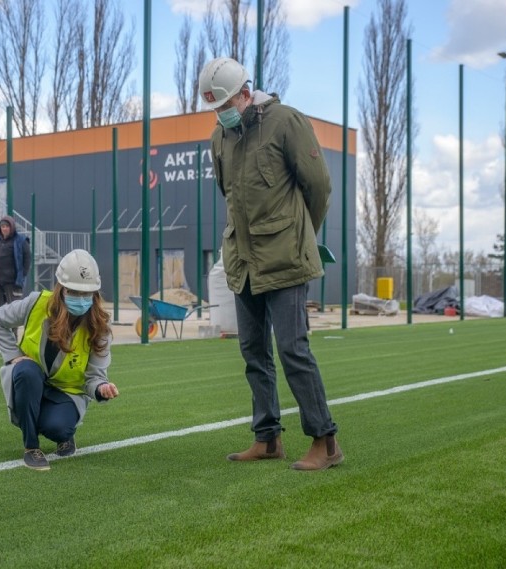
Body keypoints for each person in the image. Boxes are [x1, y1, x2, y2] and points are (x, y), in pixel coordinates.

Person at [199, 57, 343, 470]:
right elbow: (229, 193)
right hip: (242, 261)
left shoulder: (286, 122)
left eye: (225, 104)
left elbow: (319, 185)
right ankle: (267, 439)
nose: (221, 113)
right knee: (253, 353)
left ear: (246, 93)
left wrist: (300, 236)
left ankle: (326, 442)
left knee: (292, 349)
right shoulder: (220, 137)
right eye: (214, 108)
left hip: (286, 258)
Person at [0, 249, 119, 471]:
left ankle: (63, 433)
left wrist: (101, 388)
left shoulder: (100, 330)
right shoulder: (35, 304)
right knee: (26, 371)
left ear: (95, 293)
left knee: (59, 429)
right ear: (60, 288)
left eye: (86, 293)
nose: (80, 299)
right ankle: (31, 447)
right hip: (31, 380)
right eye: (73, 291)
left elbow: (93, 377)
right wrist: (13, 356)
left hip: (66, 392)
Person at [0, 215, 31, 310]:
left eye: (7, 226)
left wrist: (22, 275)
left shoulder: (20, 241)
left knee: (14, 308)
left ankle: (13, 325)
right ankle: (1, 324)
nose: (4, 229)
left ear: (12, 227)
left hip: (12, 282)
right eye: (2, 226)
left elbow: (27, 259)